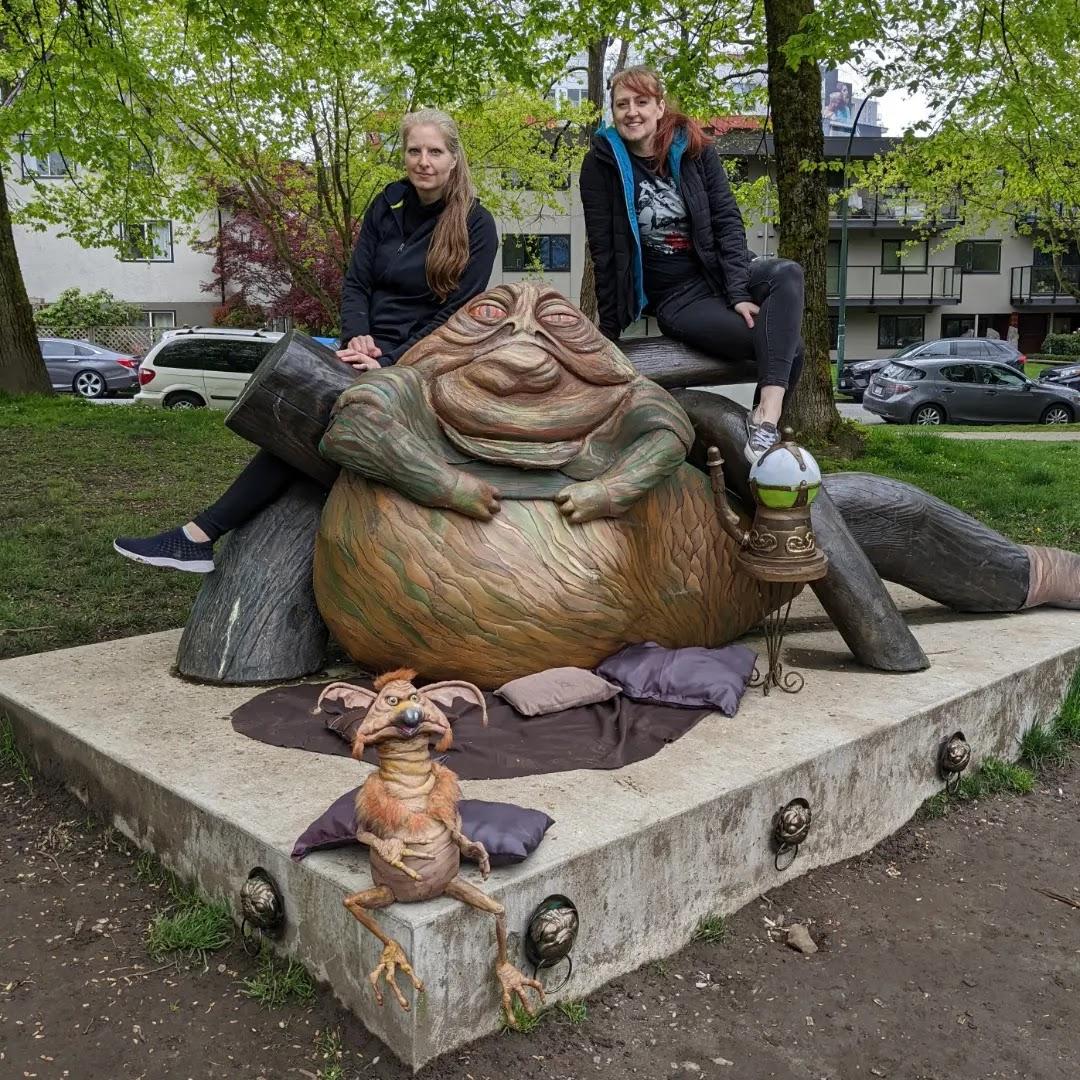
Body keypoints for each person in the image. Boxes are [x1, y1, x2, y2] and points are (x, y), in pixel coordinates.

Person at [114, 109, 498, 573]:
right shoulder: (388, 203)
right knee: (295, 404)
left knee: (322, 418)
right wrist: (358, 336)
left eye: (435, 151)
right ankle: (200, 537)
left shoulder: (477, 223)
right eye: (414, 150)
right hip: (365, 347)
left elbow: (455, 313)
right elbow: (357, 282)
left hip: (423, 357)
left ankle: (199, 535)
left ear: (454, 158)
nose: (423, 161)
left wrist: (393, 357)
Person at [579, 66, 806, 462]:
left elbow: (727, 221)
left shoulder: (696, 150)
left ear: (659, 107)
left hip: (723, 274)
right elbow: (605, 250)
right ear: (612, 113)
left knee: (788, 273)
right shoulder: (600, 165)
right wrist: (609, 331)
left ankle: (765, 423)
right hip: (679, 298)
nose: (632, 112)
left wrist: (738, 291)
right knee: (790, 348)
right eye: (622, 104)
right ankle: (765, 453)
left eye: (642, 102)